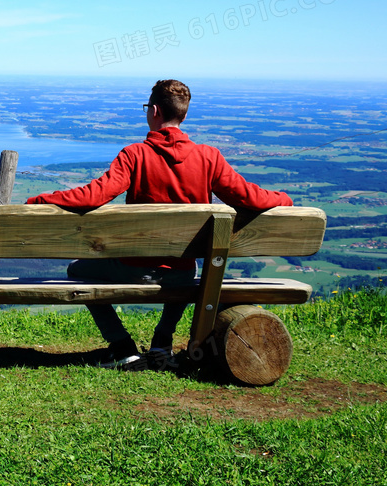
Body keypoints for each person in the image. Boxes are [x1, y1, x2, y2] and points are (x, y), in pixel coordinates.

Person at [25, 79, 292, 370]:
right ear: (184, 114)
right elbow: (250, 197)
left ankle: (122, 347)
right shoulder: (209, 157)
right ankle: (162, 344)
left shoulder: (135, 155)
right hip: (181, 273)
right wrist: (283, 199)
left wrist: (42, 199)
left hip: (133, 268)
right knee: (184, 264)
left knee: (77, 271)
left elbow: (93, 196)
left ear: (153, 110)